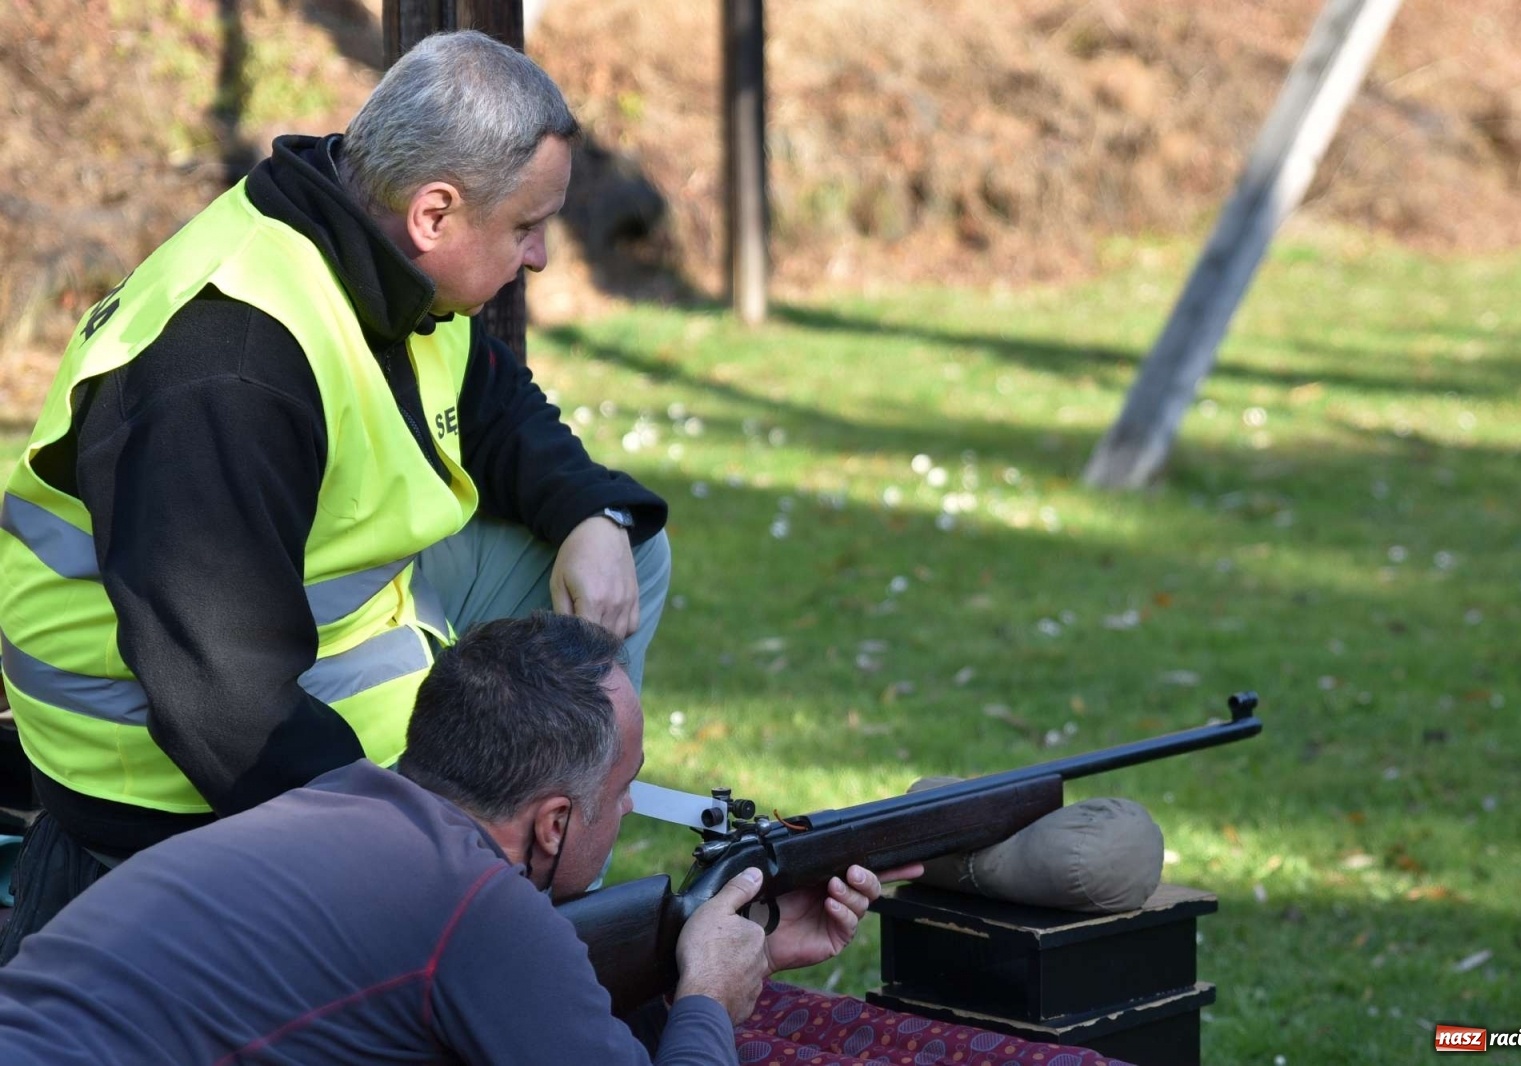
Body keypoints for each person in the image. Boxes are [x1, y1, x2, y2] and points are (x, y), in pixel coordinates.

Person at [0, 29, 669, 957]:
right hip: (152, 760)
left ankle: (556, 862)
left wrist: (590, 513)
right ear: (436, 213)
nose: (543, 256)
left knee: (631, 550)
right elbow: (222, 702)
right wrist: (415, 853)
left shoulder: (379, 249)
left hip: (308, 643)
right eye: (527, 227)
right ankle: (514, 893)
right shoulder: (229, 367)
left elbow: (497, 405)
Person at [0, 612, 903, 1064]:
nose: (627, 810)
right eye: (622, 789)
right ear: (554, 823)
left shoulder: (332, 801)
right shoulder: (479, 908)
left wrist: (727, 955)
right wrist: (707, 998)